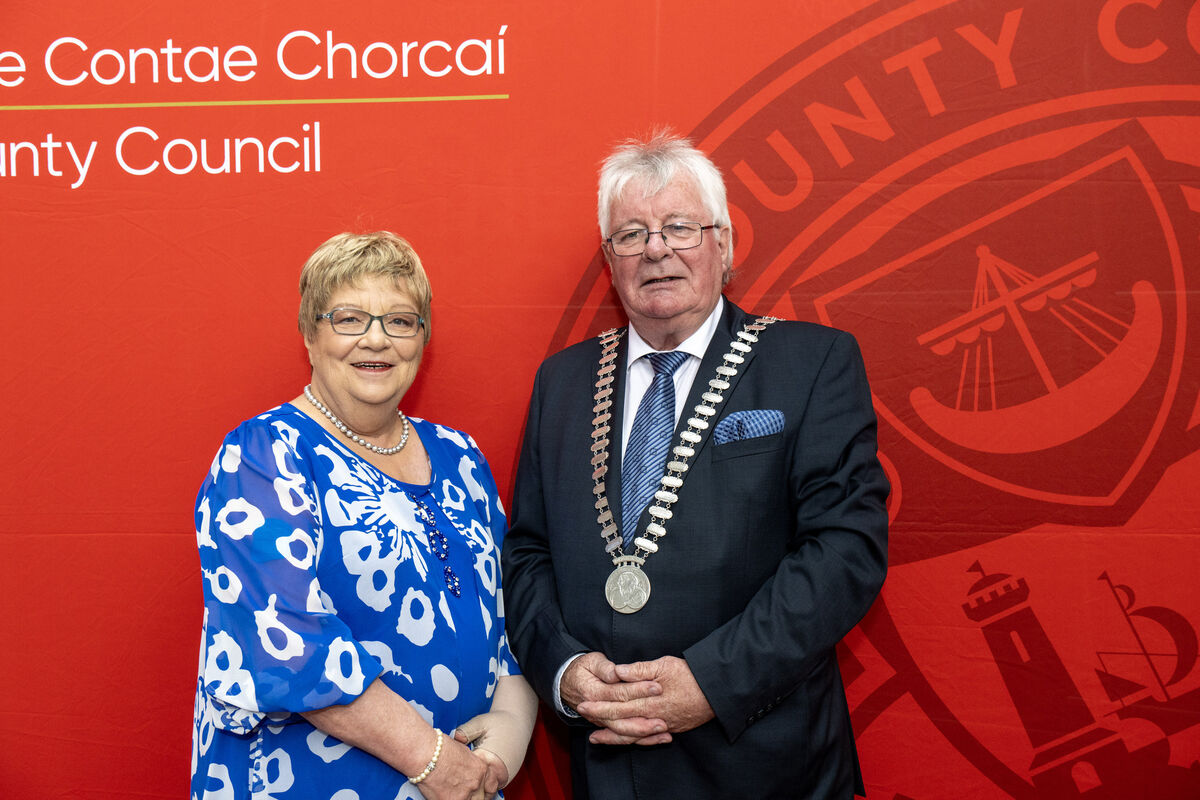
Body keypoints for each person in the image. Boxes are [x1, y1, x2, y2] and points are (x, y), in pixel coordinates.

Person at [502, 132, 889, 799]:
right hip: (606, 766)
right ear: (609, 259)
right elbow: (529, 552)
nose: (656, 249)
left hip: (766, 760)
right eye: (632, 234)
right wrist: (565, 671)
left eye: (680, 227)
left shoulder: (811, 364)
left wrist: (710, 681)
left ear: (725, 245)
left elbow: (843, 552)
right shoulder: (561, 383)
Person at [191, 231, 537, 800]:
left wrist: (509, 734)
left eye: (401, 321)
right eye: (349, 318)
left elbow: (512, 610)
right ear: (309, 332)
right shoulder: (263, 455)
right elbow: (292, 647)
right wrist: (437, 765)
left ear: (422, 339)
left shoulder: (461, 457)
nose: (376, 339)